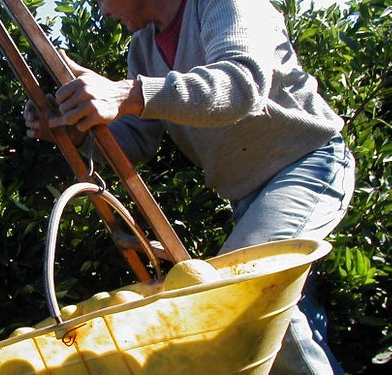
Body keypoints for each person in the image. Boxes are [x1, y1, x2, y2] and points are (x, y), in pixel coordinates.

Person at [24, 0, 355, 373]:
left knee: (250, 295)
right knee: (281, 316)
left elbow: (241, 85)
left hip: (307, 165)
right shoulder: (143, 50)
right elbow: (137, 140)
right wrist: (72, 129)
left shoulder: (224, 5)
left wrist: (126, 94)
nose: (101, 11)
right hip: (247, 198)